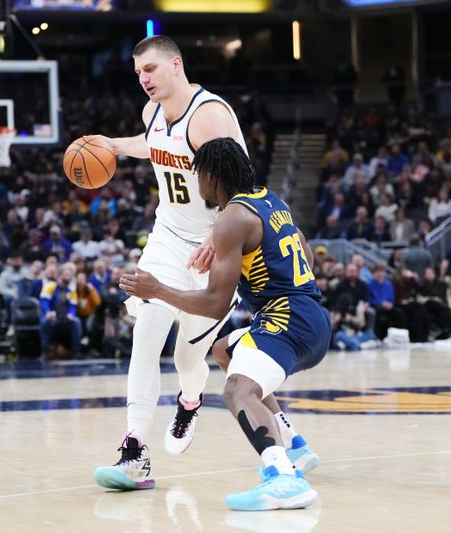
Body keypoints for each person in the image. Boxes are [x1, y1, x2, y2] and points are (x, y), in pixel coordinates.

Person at [120, 138, 328, 511]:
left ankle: (283, 478)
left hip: (289, 320)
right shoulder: (269, 199)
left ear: (212, 176)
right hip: (312, 316)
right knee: (225, 350)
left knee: (236, 392)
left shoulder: (230, 218)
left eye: (197, 175)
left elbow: (216, 305)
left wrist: (157, 289)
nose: (196, 183)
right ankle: (293, 443)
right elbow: (305, 253)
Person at [91, 35, 248, 489]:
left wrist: (220, 240)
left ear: (176, 65)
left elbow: (242, 190)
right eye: (139, 73)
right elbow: (153, 144)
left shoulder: (210, 116)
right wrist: (113, 145)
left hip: (218, 243)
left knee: (186, 357)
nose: (144, 79)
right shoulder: (152, 113)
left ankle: (191, 400)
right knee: (146, 335)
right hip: (167, 239)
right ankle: (134, 451)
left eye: (152, 70)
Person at [39, 263, 82, 356]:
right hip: (52, 315)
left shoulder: (71, 290)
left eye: (71, 275)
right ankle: (44, 351)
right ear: (60, 274)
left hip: (65, 317)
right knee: (45, 323)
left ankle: (76, 351)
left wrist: (71, 314)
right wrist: (48, 312)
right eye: (67, 274)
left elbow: (73, 306)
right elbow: (44, 301)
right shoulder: (50, 286)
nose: (69, 277)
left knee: (76, 322)